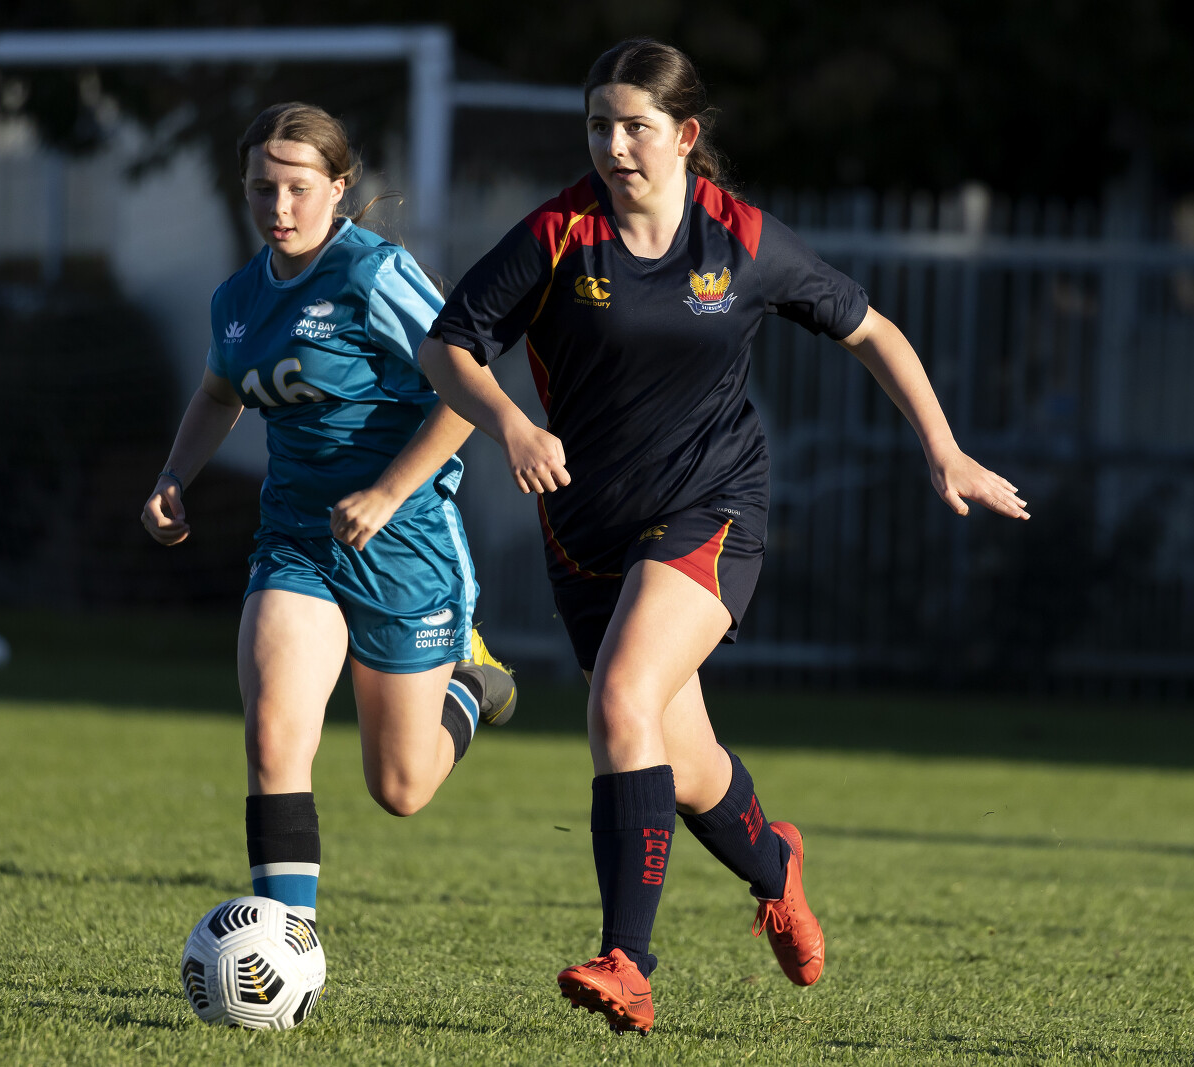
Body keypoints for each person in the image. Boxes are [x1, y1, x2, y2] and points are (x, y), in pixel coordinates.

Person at [418, 39, 1028, 1034]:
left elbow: (873, 330)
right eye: (599, 126)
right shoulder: (558, 233)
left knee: (621, 698)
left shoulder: (741, 239)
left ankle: (627, 959)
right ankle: (775, 865)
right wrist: (513, 426)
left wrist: (945, 449)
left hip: (712, 507)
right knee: (685, 758)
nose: (615, 146)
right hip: (586, 528)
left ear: (685, 135)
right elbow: (447, 345)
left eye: (636, 126)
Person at [141, 102, 516, 945]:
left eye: (297, 188)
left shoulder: (374, 274)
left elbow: (465, 387)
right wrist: (173, 475)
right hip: (296, 540)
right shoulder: (238, 298)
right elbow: (217, 393)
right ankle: (288, 948)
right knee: (273, 732)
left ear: (339, 187)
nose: (278, 207)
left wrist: (385, 492)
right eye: (261, 188)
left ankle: (473, 682)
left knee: (400, 786)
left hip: (404, 543)